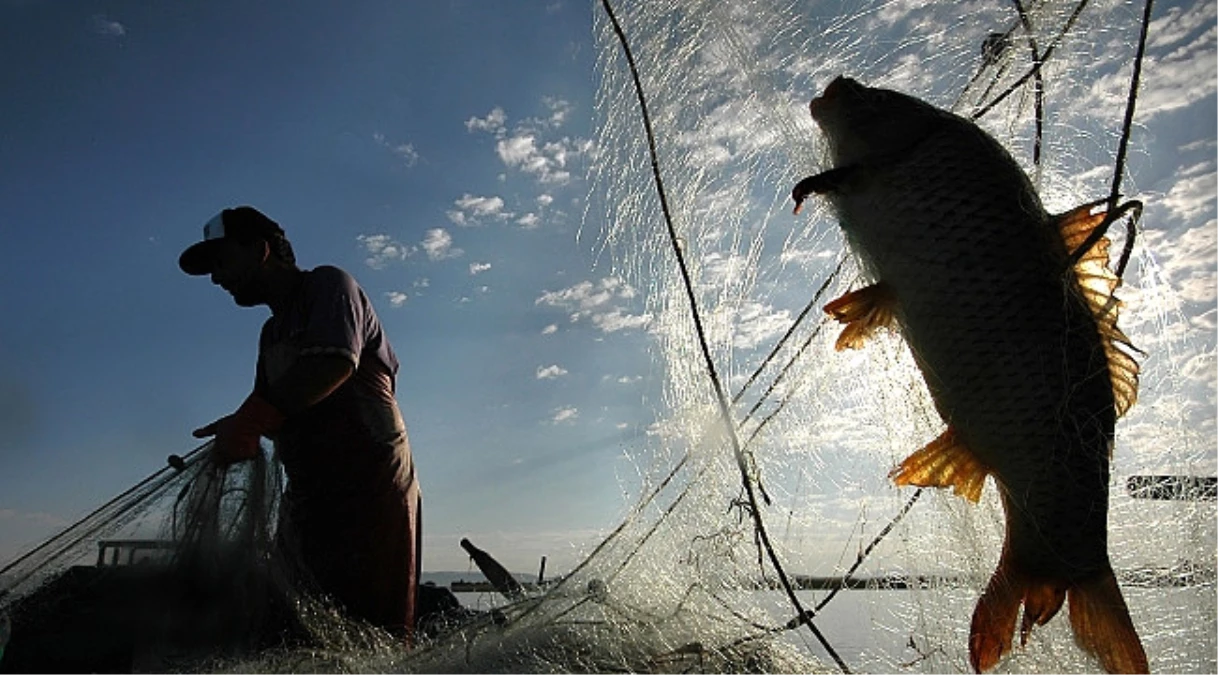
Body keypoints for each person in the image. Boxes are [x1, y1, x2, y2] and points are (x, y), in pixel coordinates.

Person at [179, 206, 420, 642]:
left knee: (373, 630)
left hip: (371, 491)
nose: (216, 278)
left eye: (222, 261)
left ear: (260, 250)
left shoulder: (329, 285)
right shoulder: (271, 334)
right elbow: (274, 411)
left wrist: (250, 420)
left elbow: (333, 363)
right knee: (298, 624)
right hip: (310, 497)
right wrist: (235, 432)